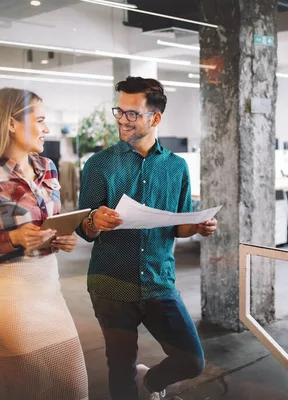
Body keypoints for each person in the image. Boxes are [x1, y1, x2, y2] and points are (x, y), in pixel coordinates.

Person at [76, 77, 218, 400]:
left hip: (158, 281)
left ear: (155, 118)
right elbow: (83, 229)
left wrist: (196, 226)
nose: (122, 120)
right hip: (112, 283)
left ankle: (151, 383)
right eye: (119, 111)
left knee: (192, 359)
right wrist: (94, 221)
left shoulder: (176, 168)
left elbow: (177, 227)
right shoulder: (98, 166)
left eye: (132, 114)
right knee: (121, 371)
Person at [0, 87, 88, 400]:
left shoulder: (49, 168)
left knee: (76, 390)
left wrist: (60, 239)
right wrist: (12, 238)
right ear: (11, 123)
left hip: (51, 295)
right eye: (40, 120)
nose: (47, 129)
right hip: (11, 304)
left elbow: (47, 227)